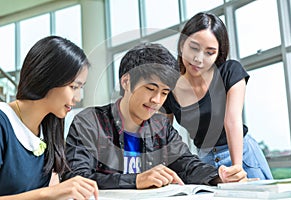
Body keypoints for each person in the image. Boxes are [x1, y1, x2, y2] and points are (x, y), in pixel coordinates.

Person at [62, 43, 247, 190]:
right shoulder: (89, 122)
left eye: (165, 93)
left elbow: (186, 163)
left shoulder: (161, 126)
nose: (156, 100)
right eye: (150, 89)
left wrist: (218, 176)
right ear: (126, 82)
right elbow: (76, 178)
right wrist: (136, 180)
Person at [162, 12, 273, 180]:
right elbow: (164, 136)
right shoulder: (168, 87)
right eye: (194, 48)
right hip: (204, 163)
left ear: (218, 54)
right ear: (182, 45)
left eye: (209, 52)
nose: (199, 59)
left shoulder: (230, 72)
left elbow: (232, 121)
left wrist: (237, 167)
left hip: (241, 155)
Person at [0, 36, 98, 199]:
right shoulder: (3, 123)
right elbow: (48, 193)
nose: (78, 97)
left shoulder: (49, 129)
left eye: (81, 88)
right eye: (73, 87)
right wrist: (49, 193)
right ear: (47, 77)